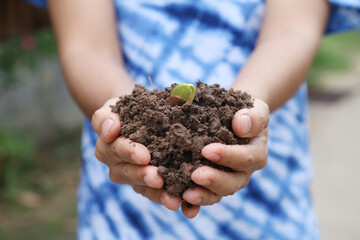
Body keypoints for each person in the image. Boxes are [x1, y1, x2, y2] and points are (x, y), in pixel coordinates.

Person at [26, 0, 360, 239]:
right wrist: (124, 115)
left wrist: (245, 110)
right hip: (124, 203)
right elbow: (86, 46)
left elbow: (291, 31)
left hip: (265, 199)